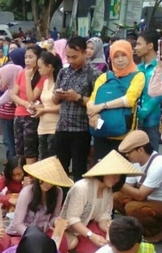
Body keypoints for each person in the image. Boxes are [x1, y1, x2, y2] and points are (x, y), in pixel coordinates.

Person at [59, 151, 140, 253]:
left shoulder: (108, 190)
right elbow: (72, 219)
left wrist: (109, 228)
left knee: (111, 245)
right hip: (69, 228)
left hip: (89, 225)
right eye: (112, 174)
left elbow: (103, 217)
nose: (116, 179)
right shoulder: (82, 188)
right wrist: (91, 235)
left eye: (119, 176)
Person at [114, 130, 162, 243]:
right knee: (116, 197)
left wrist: (118, 181)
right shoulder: (135, 163)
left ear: (140, 150)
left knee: (132, 208)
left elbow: (140, 195)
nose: (127, 156)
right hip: (148, 202)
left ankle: (160, 231)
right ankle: (141, 227)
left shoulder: (160, 163)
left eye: (129, 152)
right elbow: (128, 187)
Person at [86, 40, 146, 160]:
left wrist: (102, 106)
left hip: (124, 137)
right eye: (116, 56)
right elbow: (92, 100)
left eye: (123, 55)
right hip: (101, 133)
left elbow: (129, 100)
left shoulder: (138, 76)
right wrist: (92, 113)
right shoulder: (104, 77)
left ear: (130, 55)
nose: (120, 60)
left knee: (121, 169)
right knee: (101, 168)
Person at [54, 36, 101, 180]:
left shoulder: (94, 74)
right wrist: (58, 95)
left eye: (74, 57)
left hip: (81, 129)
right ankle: (61, 193)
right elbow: (54, 101)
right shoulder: (63, 72)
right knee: (59, 168)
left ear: (85, 53)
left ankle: (78, 194)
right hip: (62, 127)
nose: (70, 60)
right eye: (68, 57)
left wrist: (77, 98)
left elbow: (97, 103)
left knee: (79, 169)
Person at [6, 157, 72, 240]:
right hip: (22, 233)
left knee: (64, 243)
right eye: (44, 179)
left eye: (51, 181)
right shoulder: (27, 192)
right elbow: (18, 224)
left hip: (43, 232)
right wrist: (33, 236)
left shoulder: (58, 192)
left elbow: (54, 217)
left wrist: (56, 222)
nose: (48, 184)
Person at [135, 30, 162, 151]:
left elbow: (160, 94)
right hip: (134, 119)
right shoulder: (137, 68)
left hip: (151, 120)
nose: (136, 48)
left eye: (139, 44)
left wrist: (144, 110)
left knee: (150, 153)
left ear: (150, 45)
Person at [11, 45, 44, 165]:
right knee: (19, 149)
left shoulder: (41, 75)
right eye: (26, 57)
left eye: (31, 57)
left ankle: (30, 174)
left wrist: (28, 78)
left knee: (30, 150)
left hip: (32, 116)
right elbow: (13, 94)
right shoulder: (22, 73)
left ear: (38, 58)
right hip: (19, 114)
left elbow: (32, 98)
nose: (27, 60)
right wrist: (24, 103)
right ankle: (20, 173)